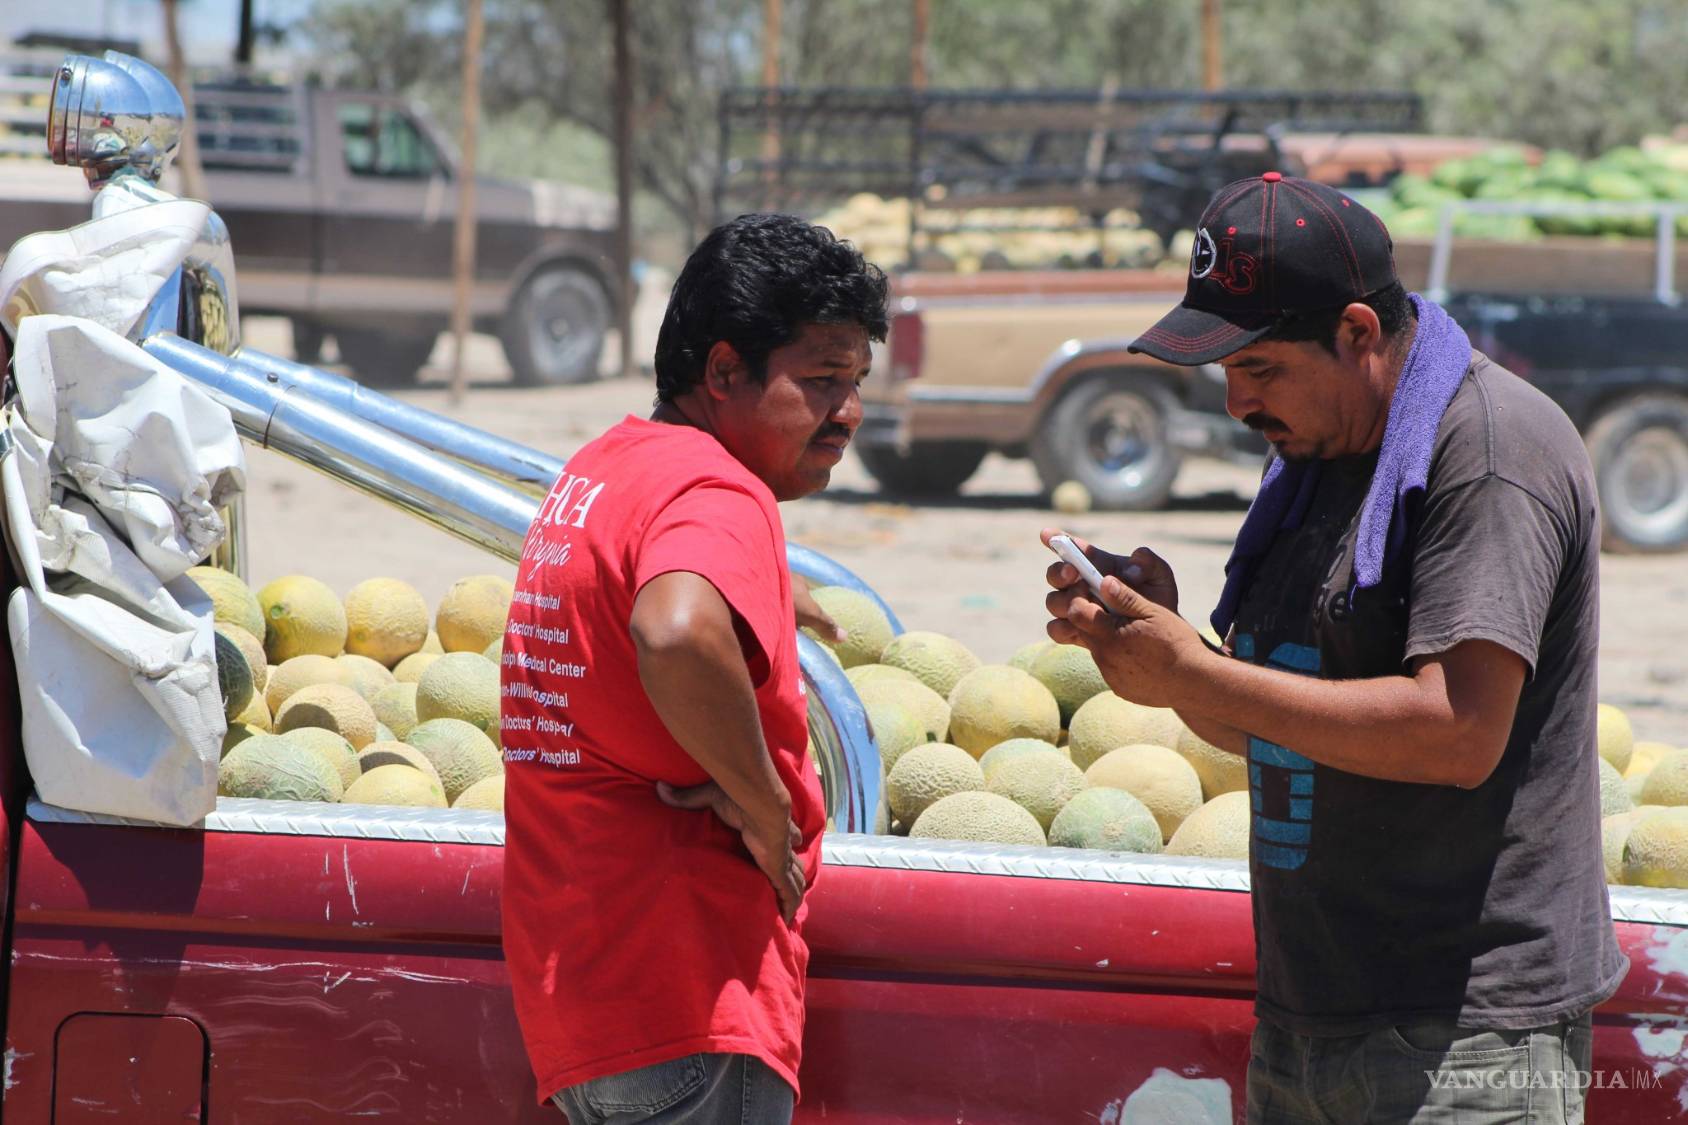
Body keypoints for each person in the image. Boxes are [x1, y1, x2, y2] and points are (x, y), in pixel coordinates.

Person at [1044, 172, 1621, 1124]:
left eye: (1260, 368)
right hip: (1309, 1019)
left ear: (1357, 332)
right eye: (1224, 372)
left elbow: (1456, 730)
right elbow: (1280, 725)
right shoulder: (1318, 453)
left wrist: (1200, 672)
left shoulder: (1486, 451)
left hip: (1463, 1041)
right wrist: (1162, 652)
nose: (1238, 402)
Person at [500, 213, 888, 1124]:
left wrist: (766, 586)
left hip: (587, 1006)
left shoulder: (605, 468)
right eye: (822, 380)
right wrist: (765, 803)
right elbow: (673, 632)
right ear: (723, 370)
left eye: (858, 382)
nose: (849, 413)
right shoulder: (719, 491)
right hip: (692, 997)